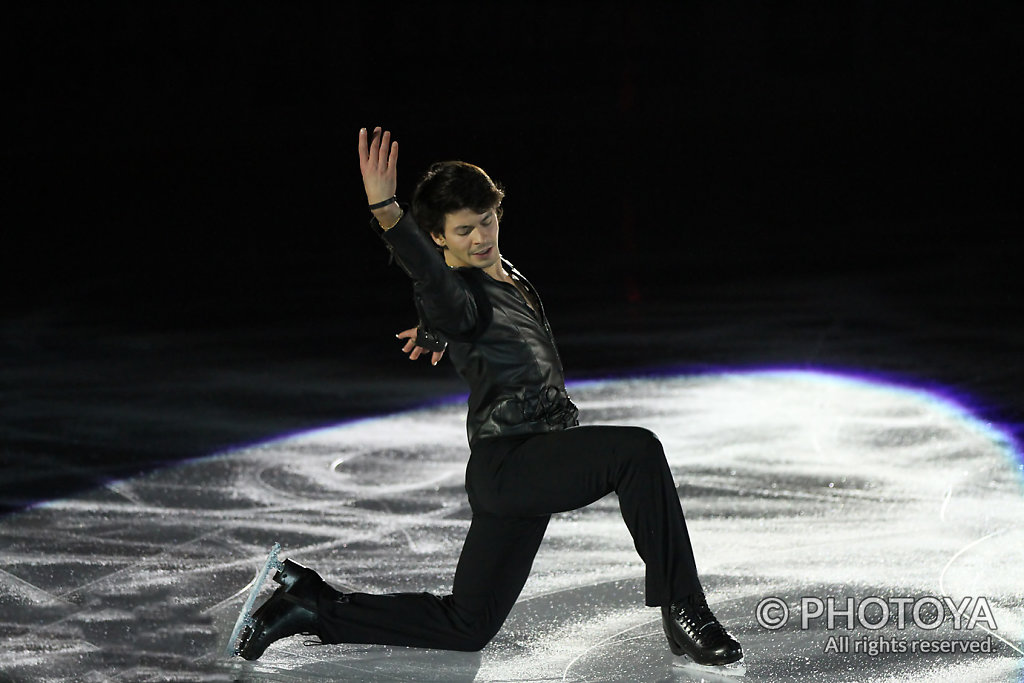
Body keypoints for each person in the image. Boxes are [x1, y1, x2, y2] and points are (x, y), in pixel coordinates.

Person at [234, 126, 743, 671]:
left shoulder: (503, 276)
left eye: (486, 220)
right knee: (636, 452)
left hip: (531, 468)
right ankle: (685, 607)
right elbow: (438, 288)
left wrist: (434, 333)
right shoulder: (458, 289)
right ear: (438, 238)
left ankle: (313, 604)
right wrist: (387, 211)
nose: (480, 237)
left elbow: (456, 318)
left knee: (467, 625)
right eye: (462, 230)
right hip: (514, 462)